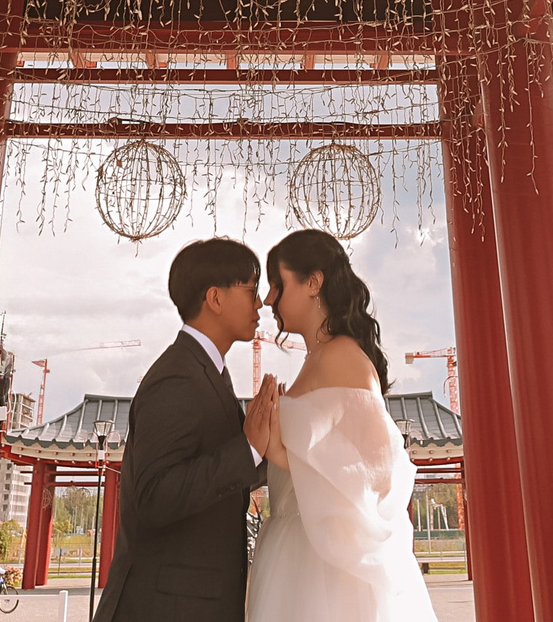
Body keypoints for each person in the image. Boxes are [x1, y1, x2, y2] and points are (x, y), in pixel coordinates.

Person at [246, 228, 438, 622]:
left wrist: (279, 451)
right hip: (296, 548)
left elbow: (378, 466)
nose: (268, 299)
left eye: (278, 284)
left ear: (313, 282)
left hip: (325, 567)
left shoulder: (342, 357)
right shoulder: (317, 360)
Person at [94, 237, 276, 622]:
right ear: (215, 298)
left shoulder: (211, 373)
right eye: (250, 290)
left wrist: (271, 454)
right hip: (164, 606)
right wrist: (247, 451)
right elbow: (154, 496)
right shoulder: (177, 377)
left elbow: (213, 476)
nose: (259, 303)